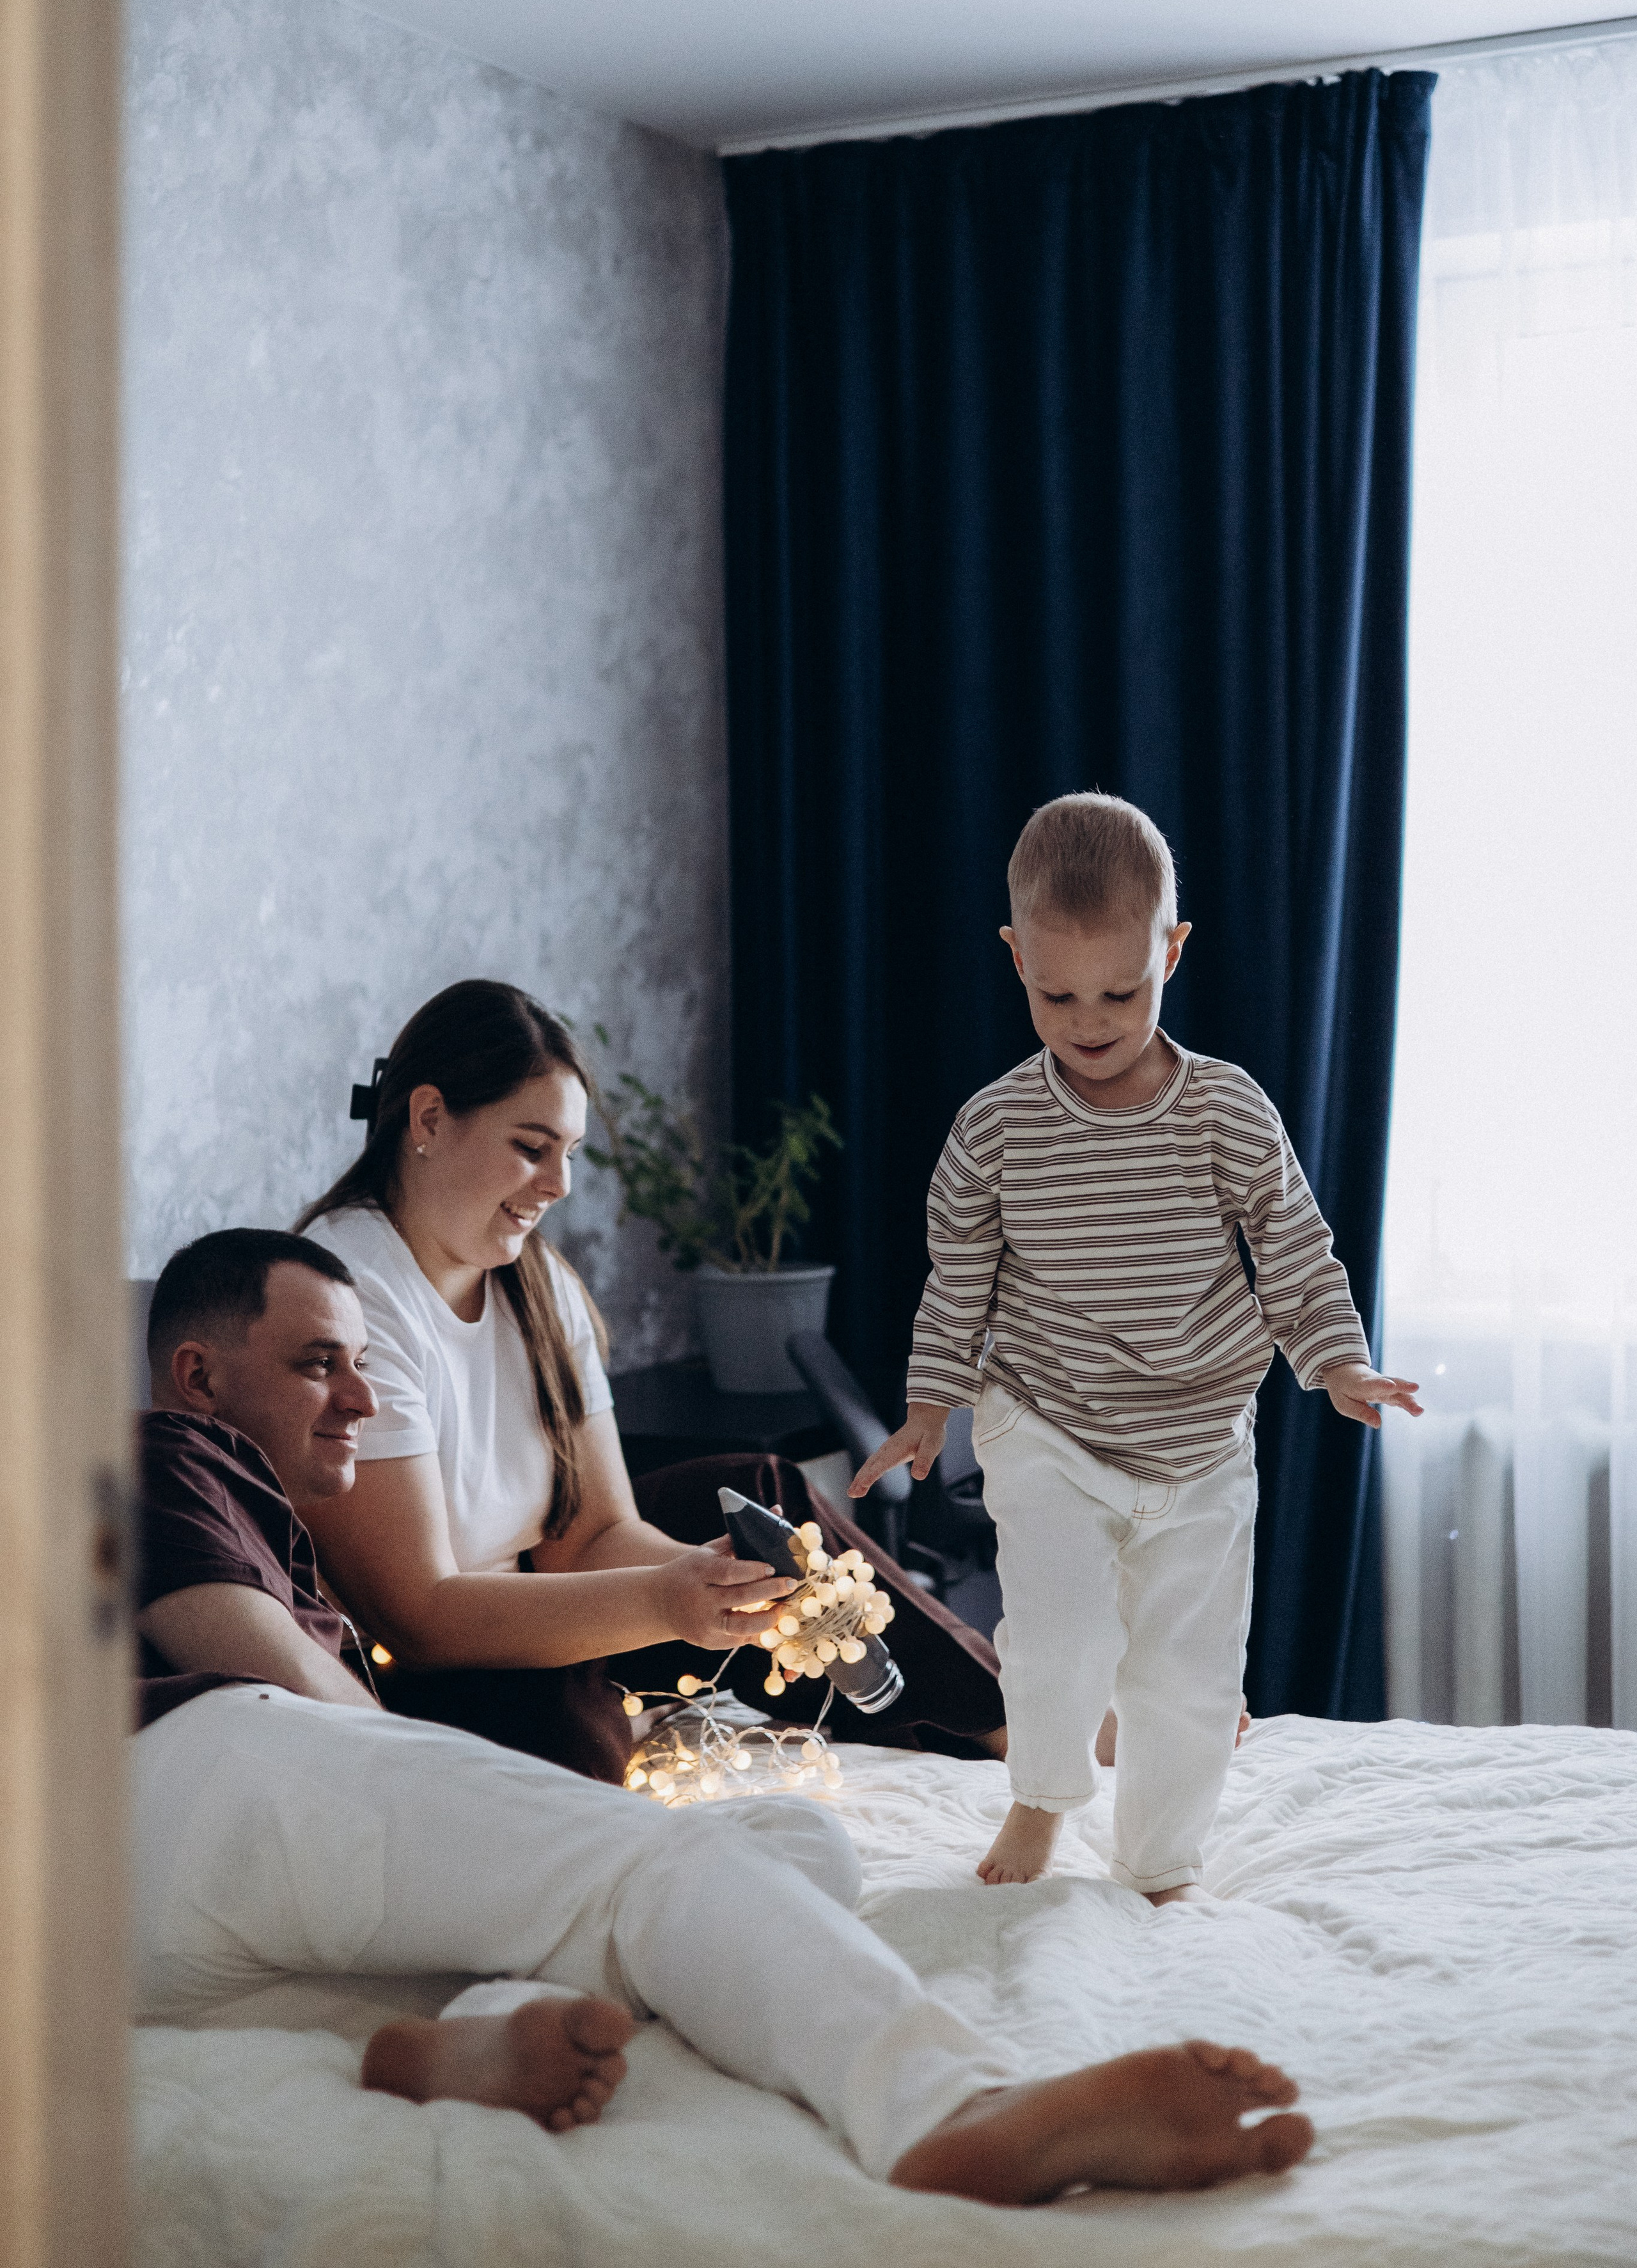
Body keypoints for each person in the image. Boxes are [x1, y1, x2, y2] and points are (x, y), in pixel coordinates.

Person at [130, 1224, 1315, 2201]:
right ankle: (947, 2105)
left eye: (360, 1363)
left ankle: (435, 2042)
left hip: (171, 1946)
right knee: (647, 1872)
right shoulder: (164, 1457)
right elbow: (269, 1684)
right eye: (316, 1365)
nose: (360, 1397)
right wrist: (492, 1808)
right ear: (199, 1377)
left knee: (790, 1843)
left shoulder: (281, 1515)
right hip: (187, 1789)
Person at [850, 792, 1422, 1893]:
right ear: (1015, 956)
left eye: (1123, 988)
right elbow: (958, 1277)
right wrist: (932, 1406)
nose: (1090, 1018)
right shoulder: (996, 1127)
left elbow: (1295, 1252)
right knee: (1058, 1639)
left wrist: (1338, 1362)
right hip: (1047, 1421)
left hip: (1201, 1437)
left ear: (1174, 948)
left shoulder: (1227, 1111)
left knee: (1190, 1676)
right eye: (1055, 992)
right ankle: (1041, 1799)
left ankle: (1160, 1857)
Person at [295, 980, 1006, 1783]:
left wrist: (707, 1584)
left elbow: (592, 1535)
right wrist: (663, 1603)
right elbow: (418, 1616)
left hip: (538, 1585)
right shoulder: (349, 1294)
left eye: (569, 1154)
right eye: (532, 1148)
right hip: (439, 1651)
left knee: (760, 1498)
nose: (560, 1186)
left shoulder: (536, 1283)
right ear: (428, 1120)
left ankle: (1008, 1720)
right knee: (570, 1736)